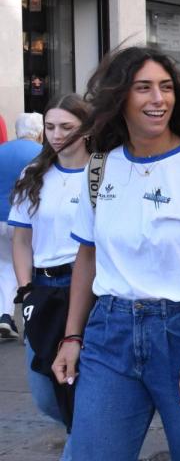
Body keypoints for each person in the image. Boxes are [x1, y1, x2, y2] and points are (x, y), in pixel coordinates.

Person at [50, 46, 180, 459]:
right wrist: (72, 336)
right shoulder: (100, 168)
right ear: (120, 96)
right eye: (143, 88)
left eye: (166, 87)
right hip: (110, 331)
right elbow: (87, 256)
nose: (158, 99)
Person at [8, 94, 90, 460]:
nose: (56, 135)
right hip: (43, 289)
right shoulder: (34, 173)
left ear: (87, 129)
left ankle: (85, 444)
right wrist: (26, 289)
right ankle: (85, 435)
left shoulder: (102, 173)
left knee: (83, 381)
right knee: (44, 391)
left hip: (88, 289)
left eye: (66, 127)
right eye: (51, 127)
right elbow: (21, 238)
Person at [0, 112, 44, 339]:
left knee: (5, 266)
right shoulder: (42, 153)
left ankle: (4, 316)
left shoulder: (2, 150)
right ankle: (31, 320)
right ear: (40, 132)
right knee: (31, 268)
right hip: (25, 220)